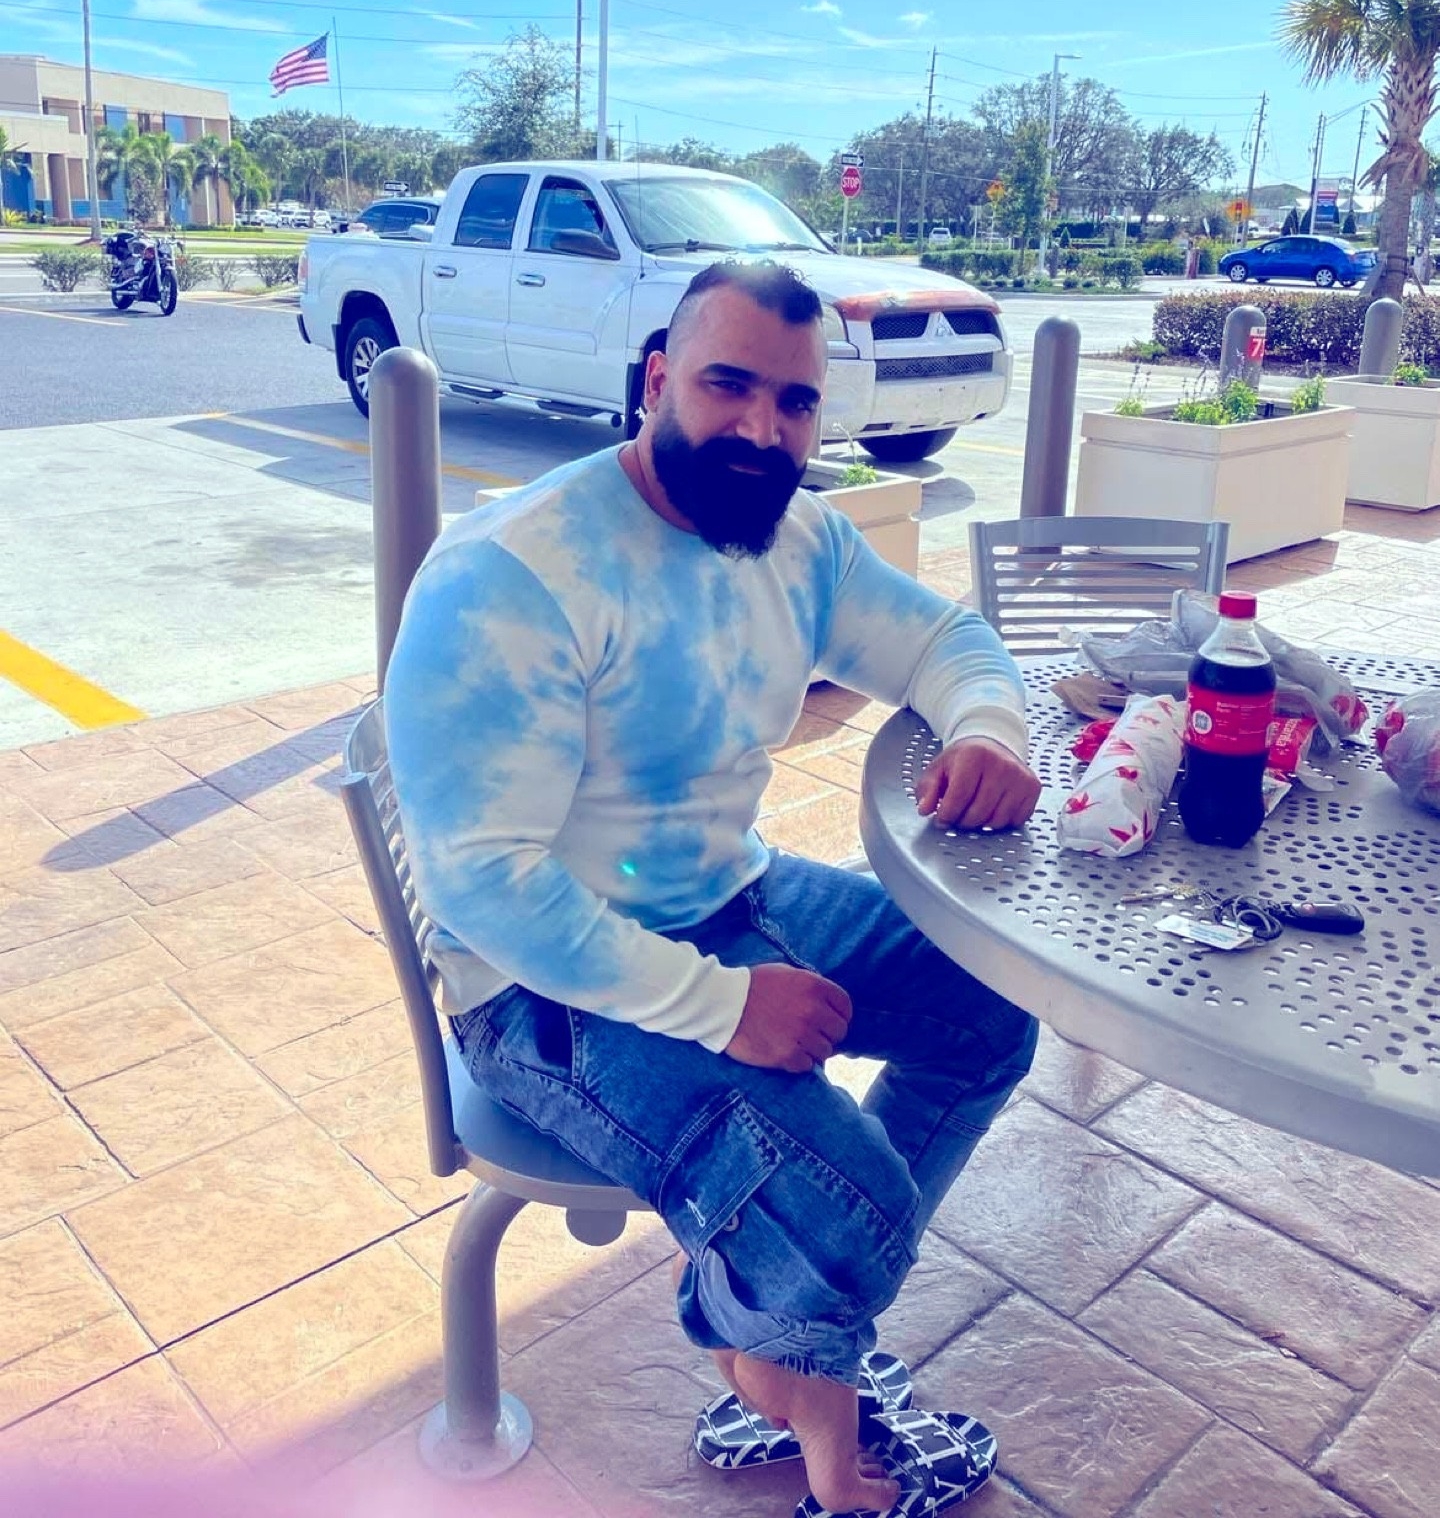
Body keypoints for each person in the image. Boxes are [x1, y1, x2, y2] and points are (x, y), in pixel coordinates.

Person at [385, 259, 1041, 1516]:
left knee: (990, 1014)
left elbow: (944, 640)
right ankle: (804, 1364)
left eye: (794, 402)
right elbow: (482, 884)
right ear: (655, 382)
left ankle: (784, 1329)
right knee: (851, 1205)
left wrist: (988, 728)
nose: (761, 427)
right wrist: (725, 1007)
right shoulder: (513, 573)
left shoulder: (801, 540)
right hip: (537, 988)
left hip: (729, 892)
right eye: (726, 384)